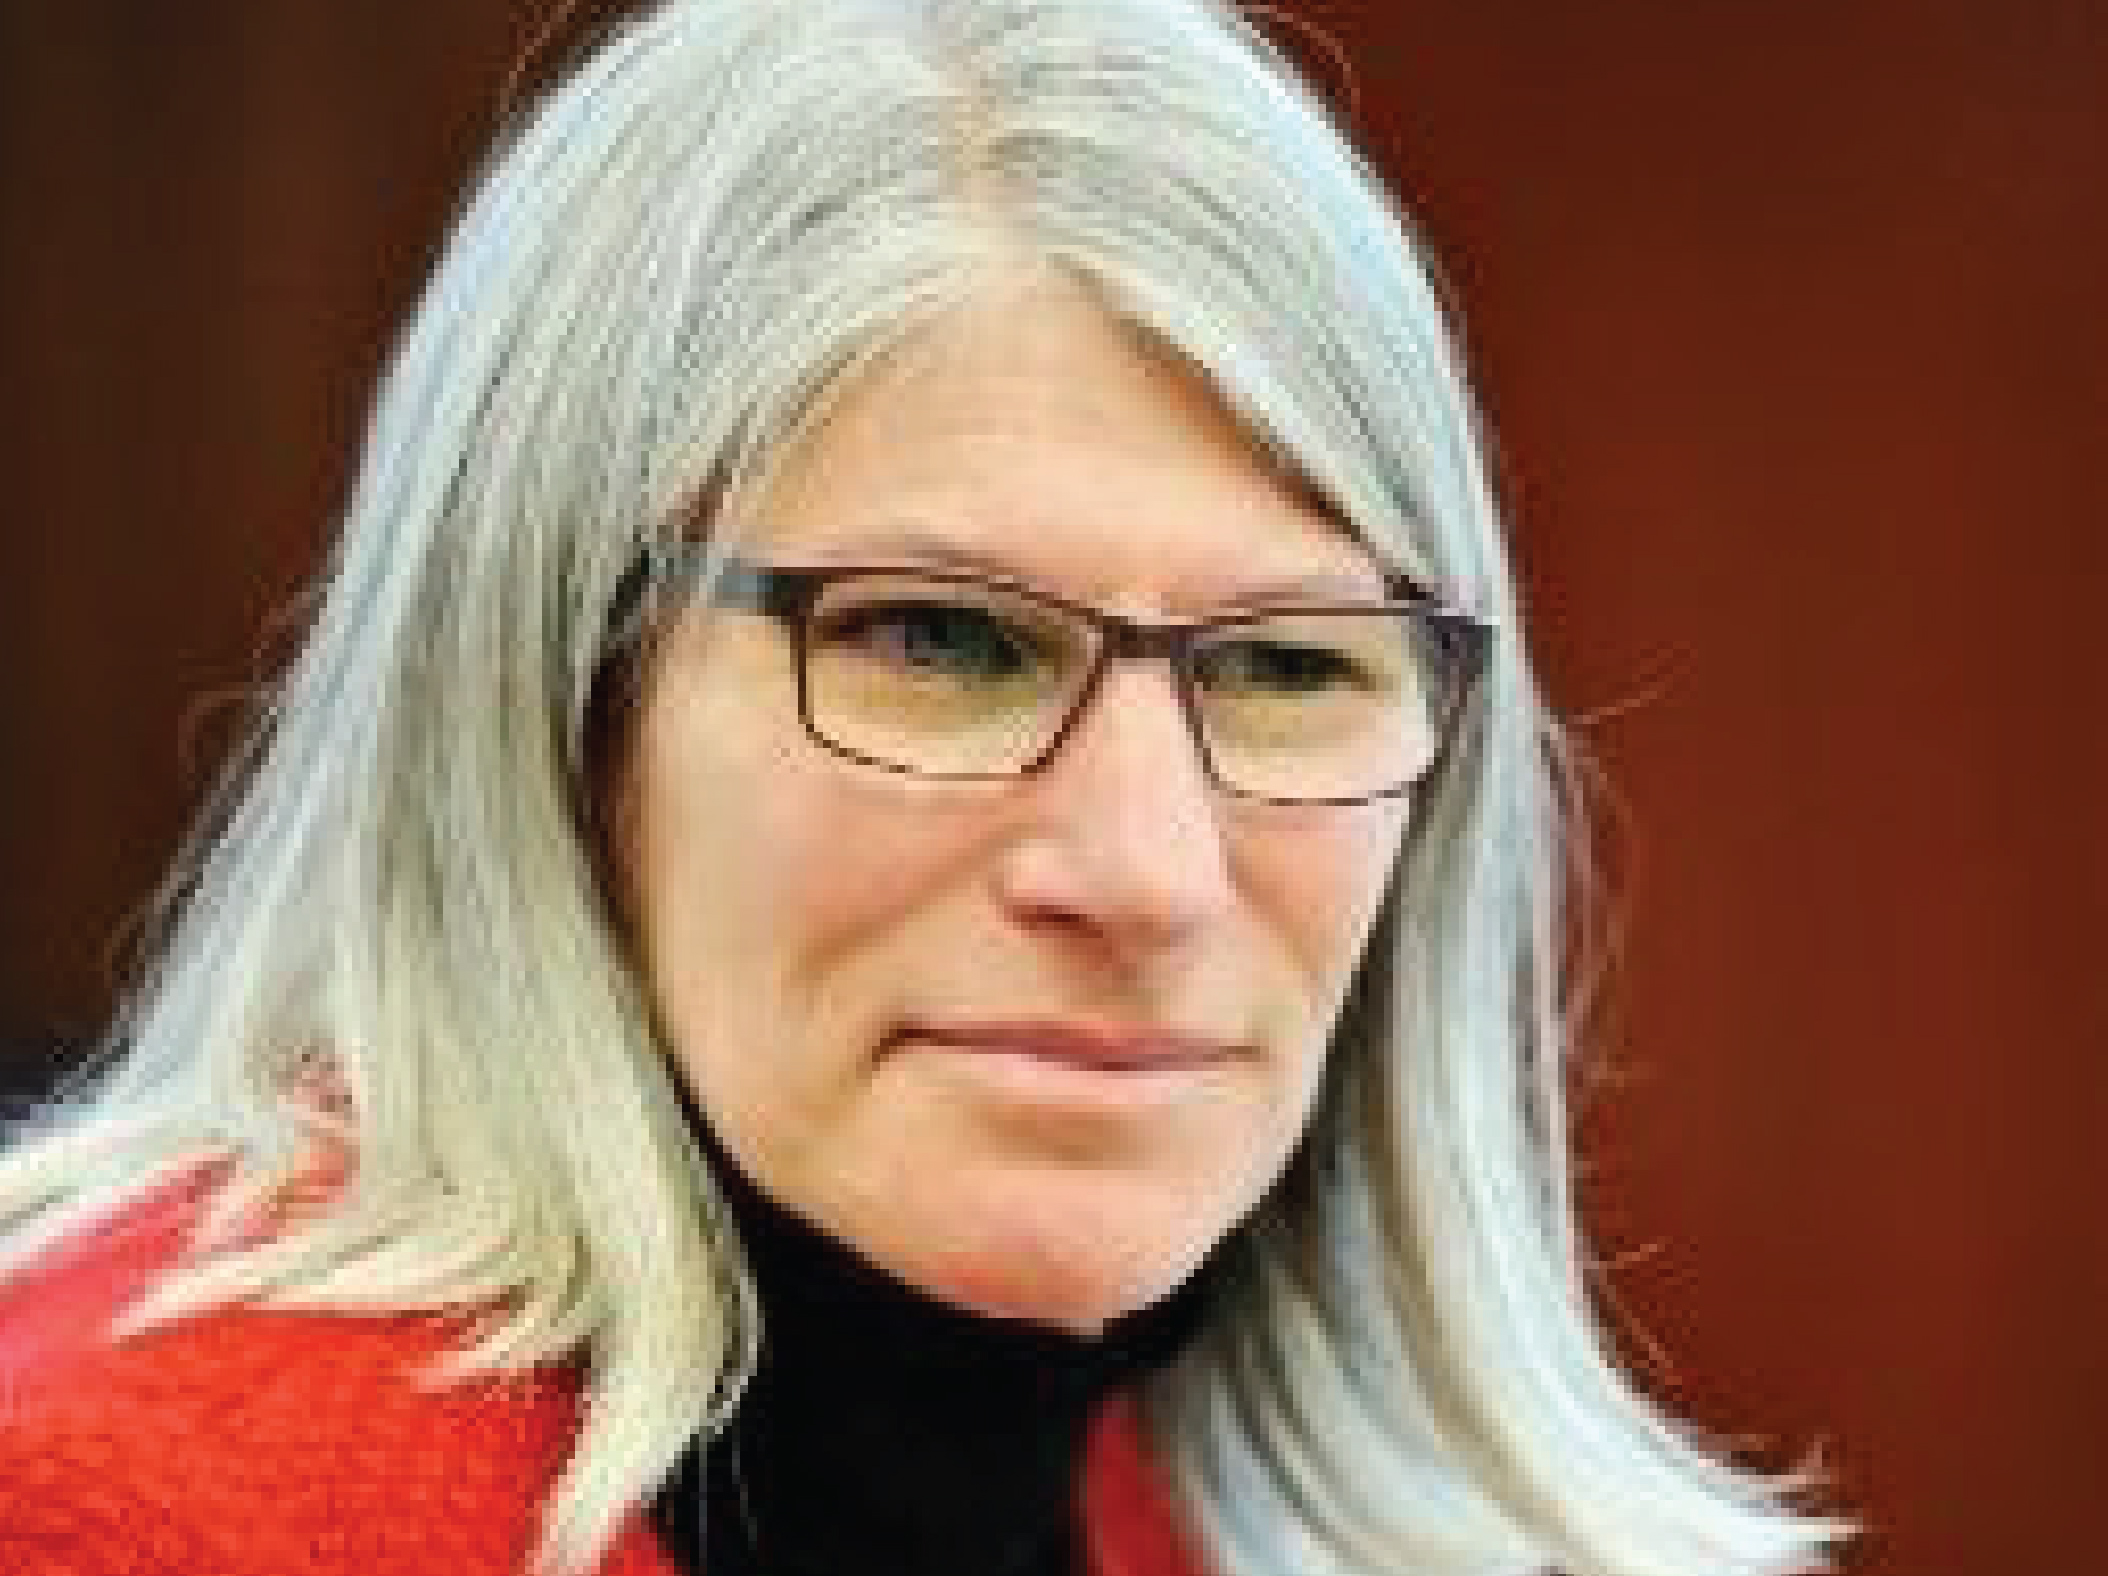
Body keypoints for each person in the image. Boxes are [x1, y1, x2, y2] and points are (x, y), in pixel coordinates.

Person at [0, 2, 1853, 1573]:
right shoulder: (121, 1516)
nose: (1146, 872)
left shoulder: (1264, 1522)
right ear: (560, 698)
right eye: (942, 640)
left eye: (1288, 664)